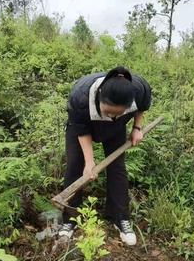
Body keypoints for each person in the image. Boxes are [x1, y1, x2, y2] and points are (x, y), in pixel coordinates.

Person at [58, 66, 152, 246]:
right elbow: (82, 132)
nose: (111, 116)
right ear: (100, 95)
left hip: (117, 129)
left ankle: (119, 217)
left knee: (117, 167)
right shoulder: (81, 97)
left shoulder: (138, 89)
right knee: (75, 166)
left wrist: (137, 128)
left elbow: (143, 106)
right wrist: (90, 162)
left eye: (117, 112)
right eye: (108, 112)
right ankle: (70, 219)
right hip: (81, 127)